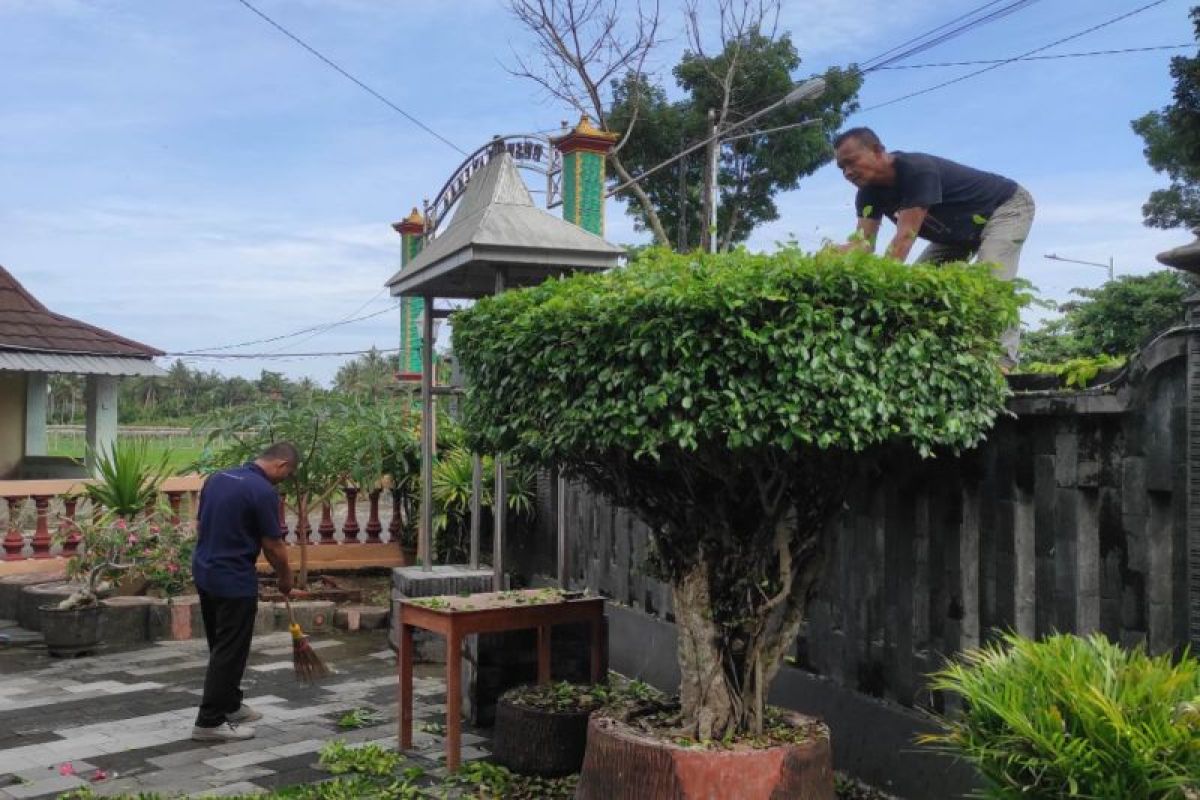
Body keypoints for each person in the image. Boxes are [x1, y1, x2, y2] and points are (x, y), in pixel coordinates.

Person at [833, 127, 1034, 366]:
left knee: (991, 280)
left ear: (878, 151)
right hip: (956, 233)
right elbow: (863, 245)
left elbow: (904, 239)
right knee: (919, 285)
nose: (847, 172)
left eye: (851, 162)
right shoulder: (867, 195)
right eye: (841, 168)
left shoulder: (916, 171)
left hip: (1004, 208)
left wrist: (877, 292)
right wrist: (832, 256)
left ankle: (1003, 361)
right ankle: (939, 355)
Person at [190, 442, 298, 742]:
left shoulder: (218, 477)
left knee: (220, 644)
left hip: (205, 571)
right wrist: (286, 579)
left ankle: (231, 705)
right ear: (281, 466)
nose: (283, 480)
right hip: (233, 580)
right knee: (230, 650)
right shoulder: (263, 492)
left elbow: (200, 525)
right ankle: (208, 722)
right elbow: (274, 547)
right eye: (287, 475)